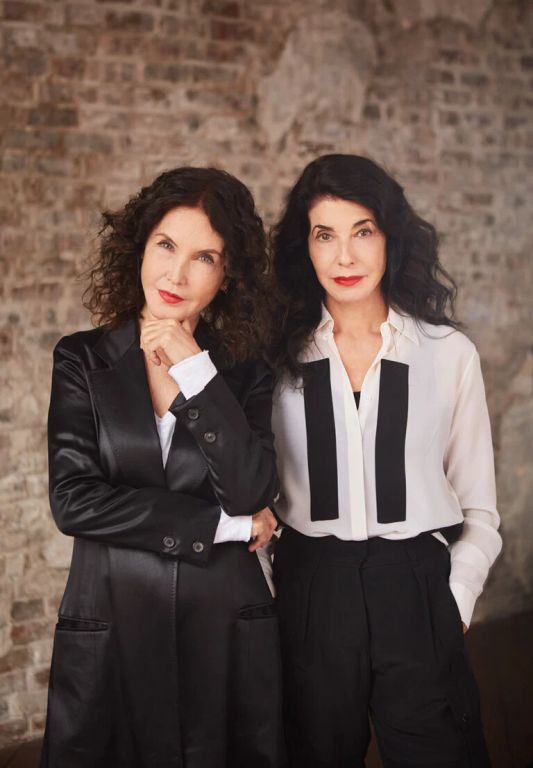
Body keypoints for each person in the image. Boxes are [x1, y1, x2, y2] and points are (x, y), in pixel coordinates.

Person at [41, 166, 286, 768]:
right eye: (166, 245)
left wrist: (196, 371)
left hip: (221, 626)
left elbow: (251, 488)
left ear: (227, 276)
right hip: (112, 622)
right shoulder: (81, 359)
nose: (177, 274)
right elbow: (73, 501)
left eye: (204, 257)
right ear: (140, 247)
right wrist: (223, 526)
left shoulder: (246, 372)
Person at [270, 153, 501, 768]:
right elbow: (247, 489)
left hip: (415, 587)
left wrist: (456, 595)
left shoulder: (447, 354)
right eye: (325, 235)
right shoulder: (274, 358)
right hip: (310, 589)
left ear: (390, 237)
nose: (344, 257)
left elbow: (480, 507)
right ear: (305, 247)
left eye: (363, 231)